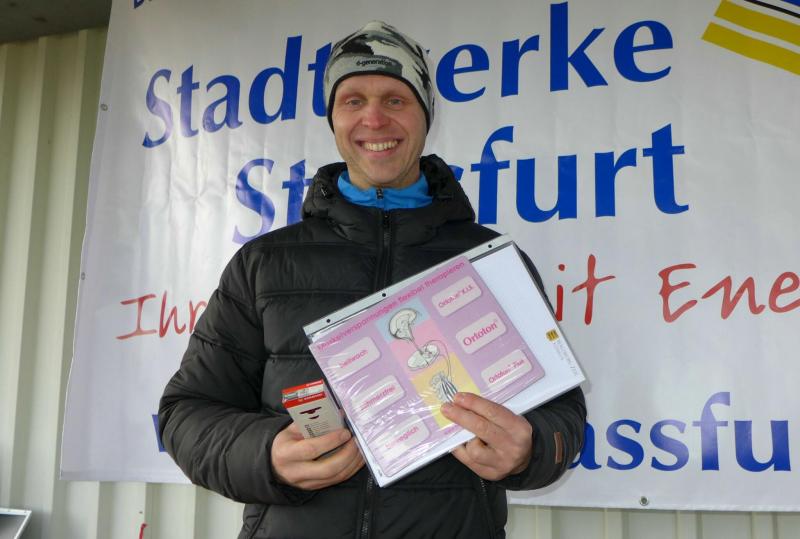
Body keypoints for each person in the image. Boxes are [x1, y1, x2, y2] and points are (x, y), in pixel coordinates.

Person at [159, 20, 586, 539]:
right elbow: (186, 413)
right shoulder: (264, 264)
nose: (374, 118)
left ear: (426, 115)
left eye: (396, 99)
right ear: (333, 119)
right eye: (353, 100)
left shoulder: (490, 260)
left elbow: (563, 416)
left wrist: (530, 449)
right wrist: (266, 454)